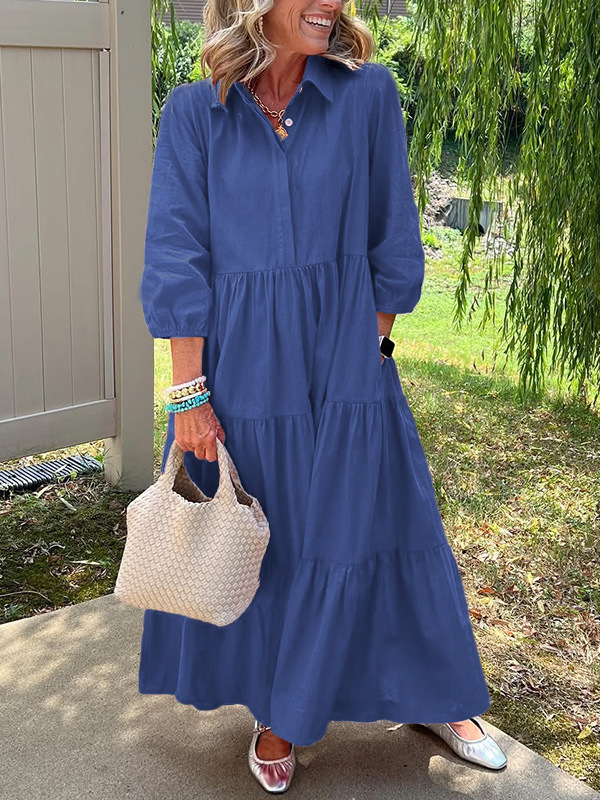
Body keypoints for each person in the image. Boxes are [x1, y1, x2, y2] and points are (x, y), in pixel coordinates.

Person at [137, 0, 509, 792]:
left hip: (347, 356)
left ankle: (435, 693)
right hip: (241, 368)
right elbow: (176, 250)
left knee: (383, 520)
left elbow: (392, 231)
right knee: (281, 539)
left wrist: (372, 346)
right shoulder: (194, 112)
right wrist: (188, 390)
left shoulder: (367, 92)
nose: (333, 2)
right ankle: (281, 711)